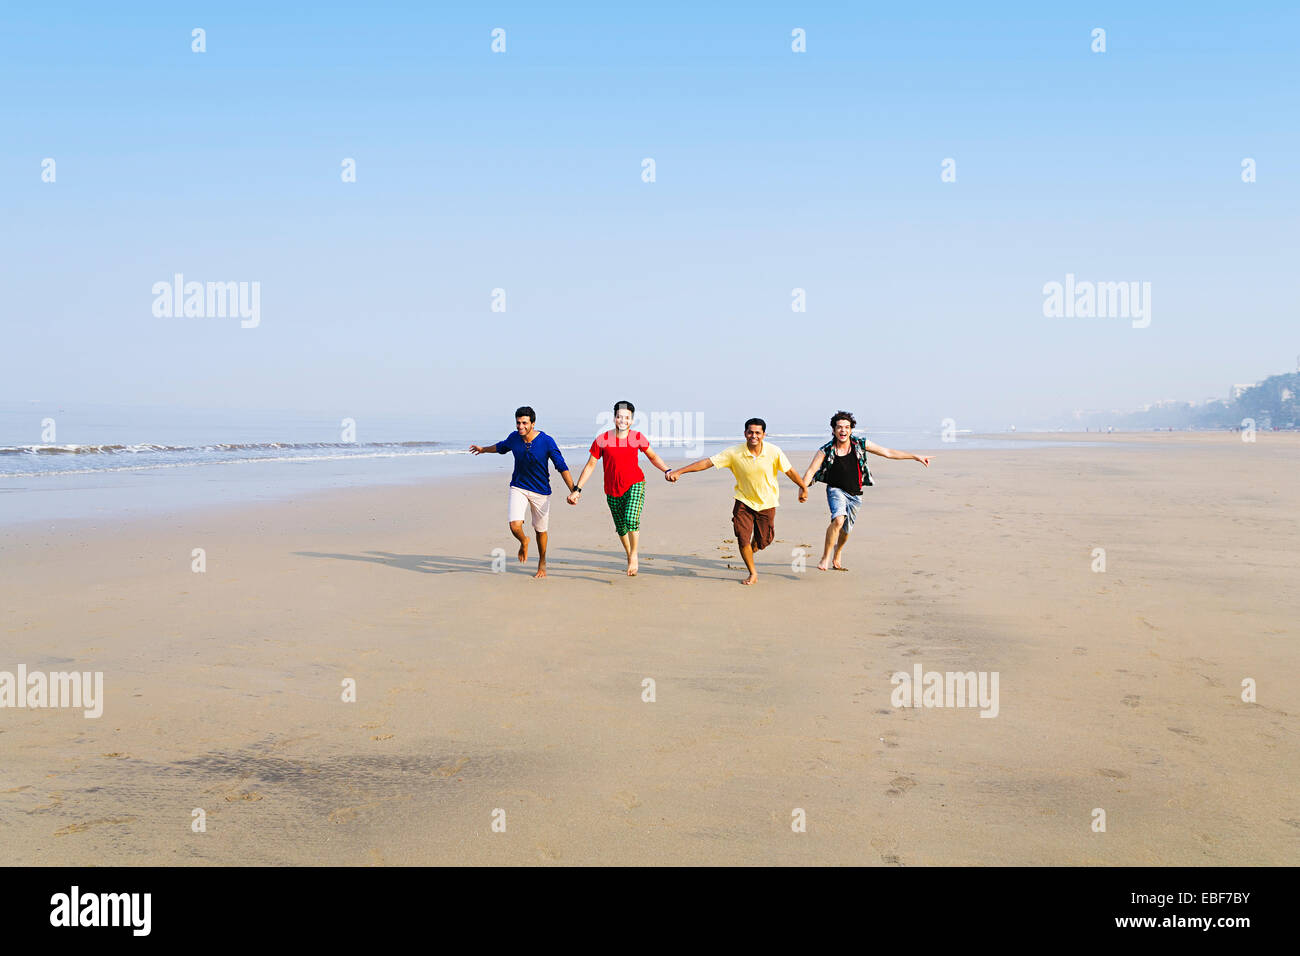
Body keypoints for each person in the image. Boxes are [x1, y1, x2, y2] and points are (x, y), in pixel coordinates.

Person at [667, 418, 807, 586]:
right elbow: (707, 463)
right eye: (750, 432)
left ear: (764, 434)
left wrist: (803, 487)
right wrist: (680, 471)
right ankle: (752, 572)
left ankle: (751, 551)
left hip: (767, 503)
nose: (753, 436)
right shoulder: (734, 452)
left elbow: (789, 471)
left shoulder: (774, 451)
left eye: (757, 433)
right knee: (743, 537)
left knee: (764, 541)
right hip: (743, 502)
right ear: (745, 433)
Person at [800, 411, 930, 571]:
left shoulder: (860, 444)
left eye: (846, 427)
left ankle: (837, 551)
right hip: (836, 490)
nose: (843, 431)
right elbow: (811, 471)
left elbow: (888, 452)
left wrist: (914, 456)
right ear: (833, 430)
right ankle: (825, 557)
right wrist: (803, 489)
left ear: (851, 430)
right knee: (838, 520)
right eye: (839, 427)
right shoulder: (826, 450)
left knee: (845, 532)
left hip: (855, 495)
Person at [567, 401, 671, 576]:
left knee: (631, 520)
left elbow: (652, 456)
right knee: (621, 527)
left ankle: (634, 555)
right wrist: (577, 489)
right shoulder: (602, 439)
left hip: (635, 484)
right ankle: (629, 552)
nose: (623, 420)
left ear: (632, 420)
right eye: (619, 417)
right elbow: (591, 465)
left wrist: (667, 470)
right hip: (612, 489)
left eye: (627, 418)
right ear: (614, 418)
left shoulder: (637, 437)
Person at [469, 406, 575, 578]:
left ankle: (542, 561)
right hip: (519, 486)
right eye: (518, 423)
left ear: (533, 423)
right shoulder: (514, 438)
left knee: (541, 531)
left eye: (524, 423)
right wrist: (483, 449)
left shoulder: (547, 441)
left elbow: (561, 466)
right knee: (514, 525)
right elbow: (501, 447)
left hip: (541, 491)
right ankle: (524, 541)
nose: (520, 426)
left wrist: (573, 490)